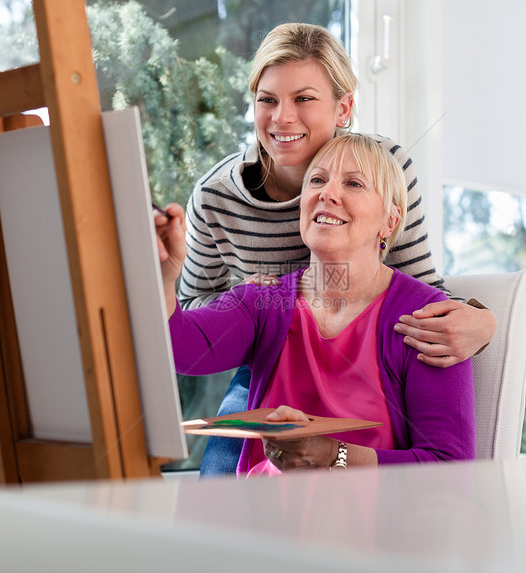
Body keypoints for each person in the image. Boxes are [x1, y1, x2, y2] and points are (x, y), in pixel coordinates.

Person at [181, 22, 494, 476]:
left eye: (304, 99)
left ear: (343, 107)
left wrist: (483, 320)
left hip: (367, 347)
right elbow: (192, 312)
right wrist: (247, 306)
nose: (282, 118)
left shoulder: (386, 166)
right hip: (267, 351)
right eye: (267, 100)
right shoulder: (216, 197)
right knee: (219, 481)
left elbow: (417, 288)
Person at [156, 134, 476, 476]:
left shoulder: (426, 318)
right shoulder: (265, 300)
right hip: (258, 522)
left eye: (353, 183)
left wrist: (331, 456)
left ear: (390, 221)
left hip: (373, 524)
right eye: (318, 180)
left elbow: (450, 467)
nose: (328, 193)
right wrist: (162, 276)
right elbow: (181, 348)